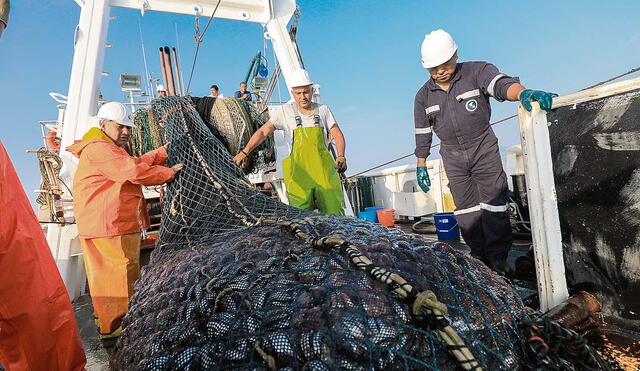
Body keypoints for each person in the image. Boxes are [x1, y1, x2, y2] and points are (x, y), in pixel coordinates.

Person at [413, 29, 556, 275]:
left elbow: (501, 85)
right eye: (433, 68)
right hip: (453, 158)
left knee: (494, 206)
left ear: (455, 55)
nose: (439, 71)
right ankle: (479, 258)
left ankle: (499, 260)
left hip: (484, 149)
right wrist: (421, 163)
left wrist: (523, 93)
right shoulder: (422, 96)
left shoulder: (477, 71)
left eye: (444, 64)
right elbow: (422, 133)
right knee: (467, 212)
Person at [67, 102, 183, 339]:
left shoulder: (106, 148)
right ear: (103, 125)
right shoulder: (100, 149)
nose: (126, 132)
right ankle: (117, 329)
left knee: (108, 276)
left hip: (107, 224)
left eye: (128, 127)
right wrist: (169, 172)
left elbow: (133, 164)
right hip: (110, 225)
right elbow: (132, 172)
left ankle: (107, 318)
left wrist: (159, 154)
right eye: (120, 126)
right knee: (118, 275)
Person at [233, 69, 347, 214]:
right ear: (292, 93)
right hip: (299, 176)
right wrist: (244, 152)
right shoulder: (285, 112)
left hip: (325, 174)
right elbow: (263, 131)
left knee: (335, 214)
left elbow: (337, 133)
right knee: (301, 219)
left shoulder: (323, 110)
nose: (303, 97)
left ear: (311, 91)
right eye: (298, 93)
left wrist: (341, 155)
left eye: (306, 92)